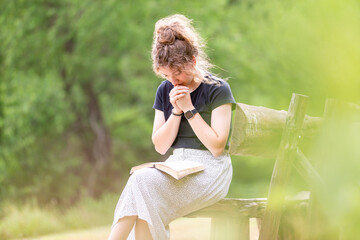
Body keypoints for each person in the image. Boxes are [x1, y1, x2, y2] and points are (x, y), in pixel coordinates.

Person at [108, 14, 236, 240]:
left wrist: (189, 109)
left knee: (141, 184)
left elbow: (217, 147)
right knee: (142, 186)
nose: (174, 82)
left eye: (178, 73)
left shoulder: (217, 89)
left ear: (193, 62)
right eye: (167, 75)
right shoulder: (164, 90)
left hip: (211, 171)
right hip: (177, 167)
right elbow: (160, 145)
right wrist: (176, 111)